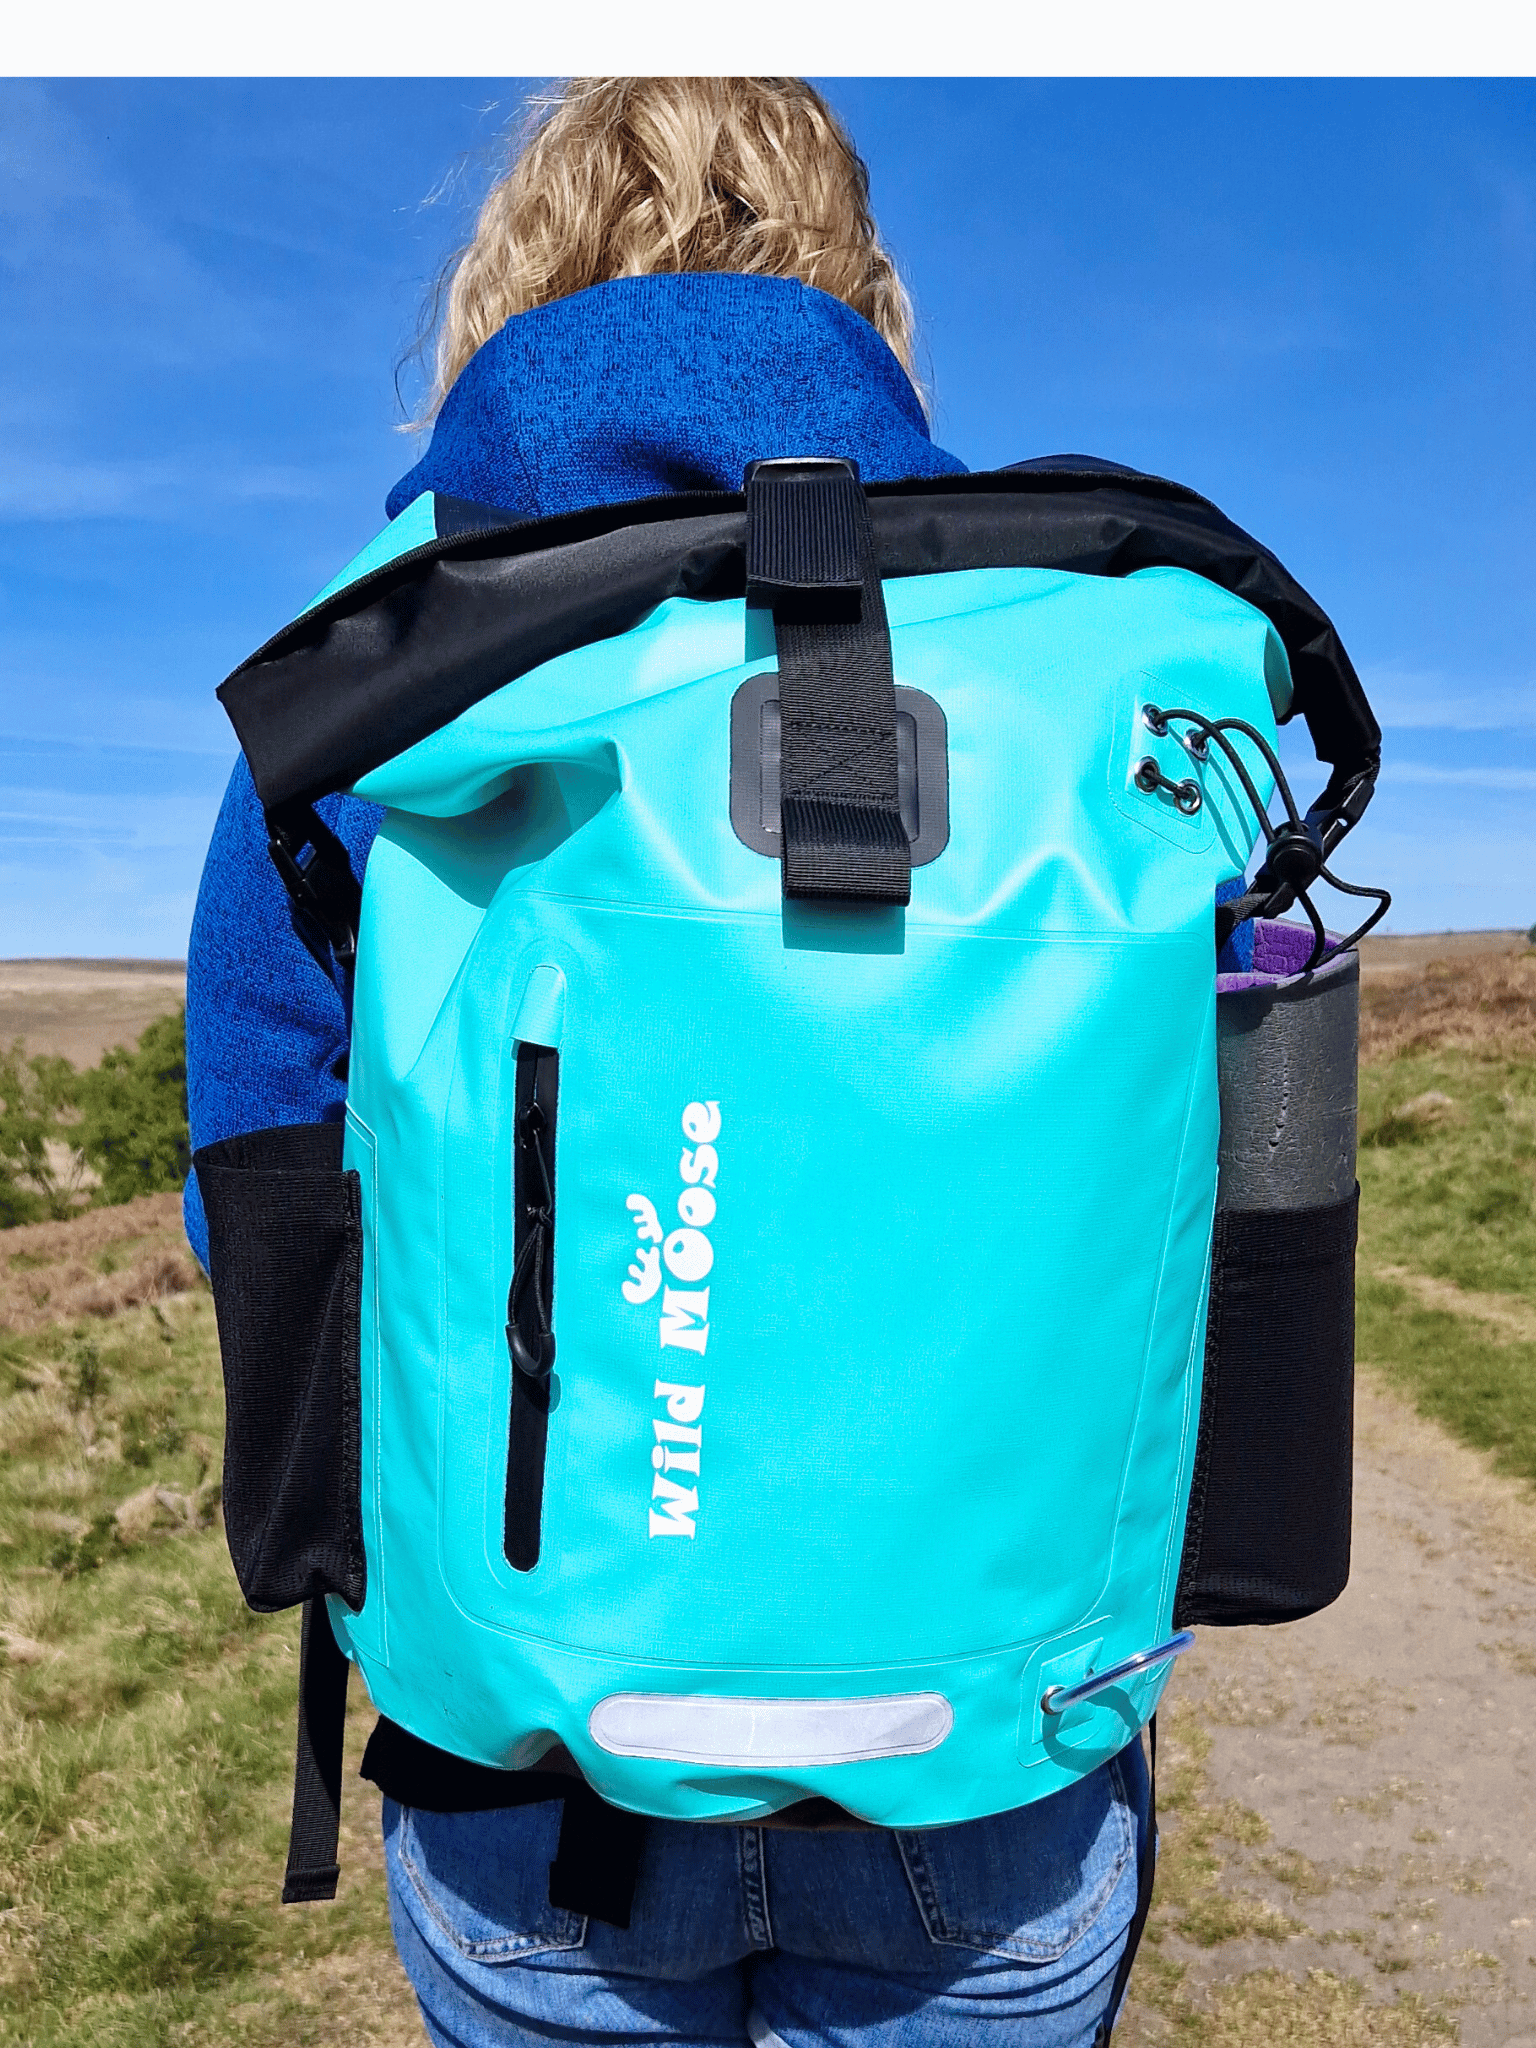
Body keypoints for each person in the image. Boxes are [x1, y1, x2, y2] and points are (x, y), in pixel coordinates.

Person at [185, 76, 1151, 2048]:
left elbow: (259, 1226)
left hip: (525, 1776)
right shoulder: (1059, 656)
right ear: (868, 298)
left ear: (507, 283)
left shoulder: (389, 678)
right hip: (987, 1776)